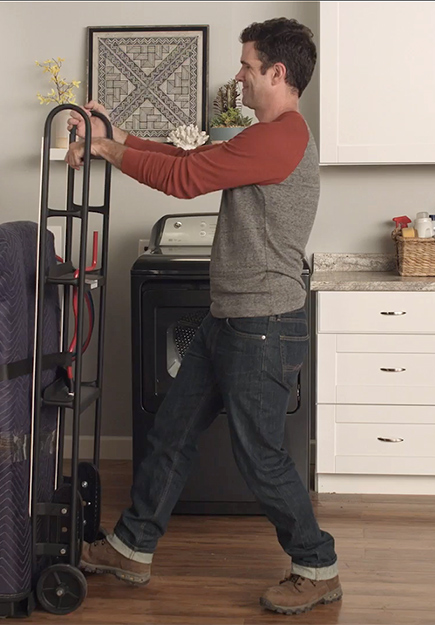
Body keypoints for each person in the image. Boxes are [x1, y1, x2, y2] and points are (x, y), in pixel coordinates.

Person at [66, 18, 340, 615]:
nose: (238, 77)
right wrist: (121, 136)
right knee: (171, 434)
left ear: (277, 72)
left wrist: (109, 150)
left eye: (246, 66)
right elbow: (189, 156)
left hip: (262, 325)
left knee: (260, 456)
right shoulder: (266, 135)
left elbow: (185, 178)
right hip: (231, 320)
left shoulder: (283, 136)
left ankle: (316, 564)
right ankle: (132, 548)